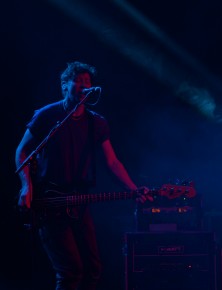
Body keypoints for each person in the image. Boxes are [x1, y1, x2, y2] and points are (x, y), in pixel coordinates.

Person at [15, 61, 151, 290]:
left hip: (78, 202)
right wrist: (26, 186)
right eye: (78, 81)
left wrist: (133, 188)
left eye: (87, 82)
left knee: (93, 267)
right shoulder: (47, 116)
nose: (83, 86)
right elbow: (22, 152)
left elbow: (112, 161)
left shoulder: (96, 122)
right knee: (70, 272)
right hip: (50, 203)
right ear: (64, 86)